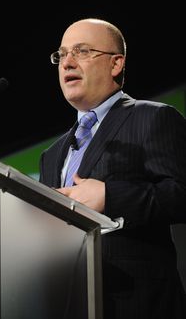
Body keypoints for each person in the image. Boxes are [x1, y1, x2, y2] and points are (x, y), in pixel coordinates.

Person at [39, 18, 186, 319]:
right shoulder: (51, 155)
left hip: (136, 303)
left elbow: (180, 194)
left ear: (116, 63)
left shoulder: (153, 118)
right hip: (69, 303)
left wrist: (110, 197)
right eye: (61, 54)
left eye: (81, 51)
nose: (67, 63)